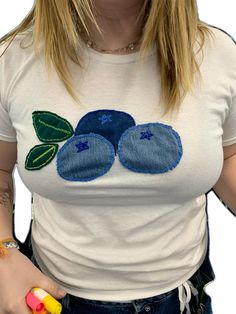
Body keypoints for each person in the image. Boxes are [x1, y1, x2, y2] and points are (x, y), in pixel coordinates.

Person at [0, 0, 235, 313]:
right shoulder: (13, 60)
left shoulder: (217, 55)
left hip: (179, 299)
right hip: (50, 297)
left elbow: (227, 155)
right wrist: (3, 255)